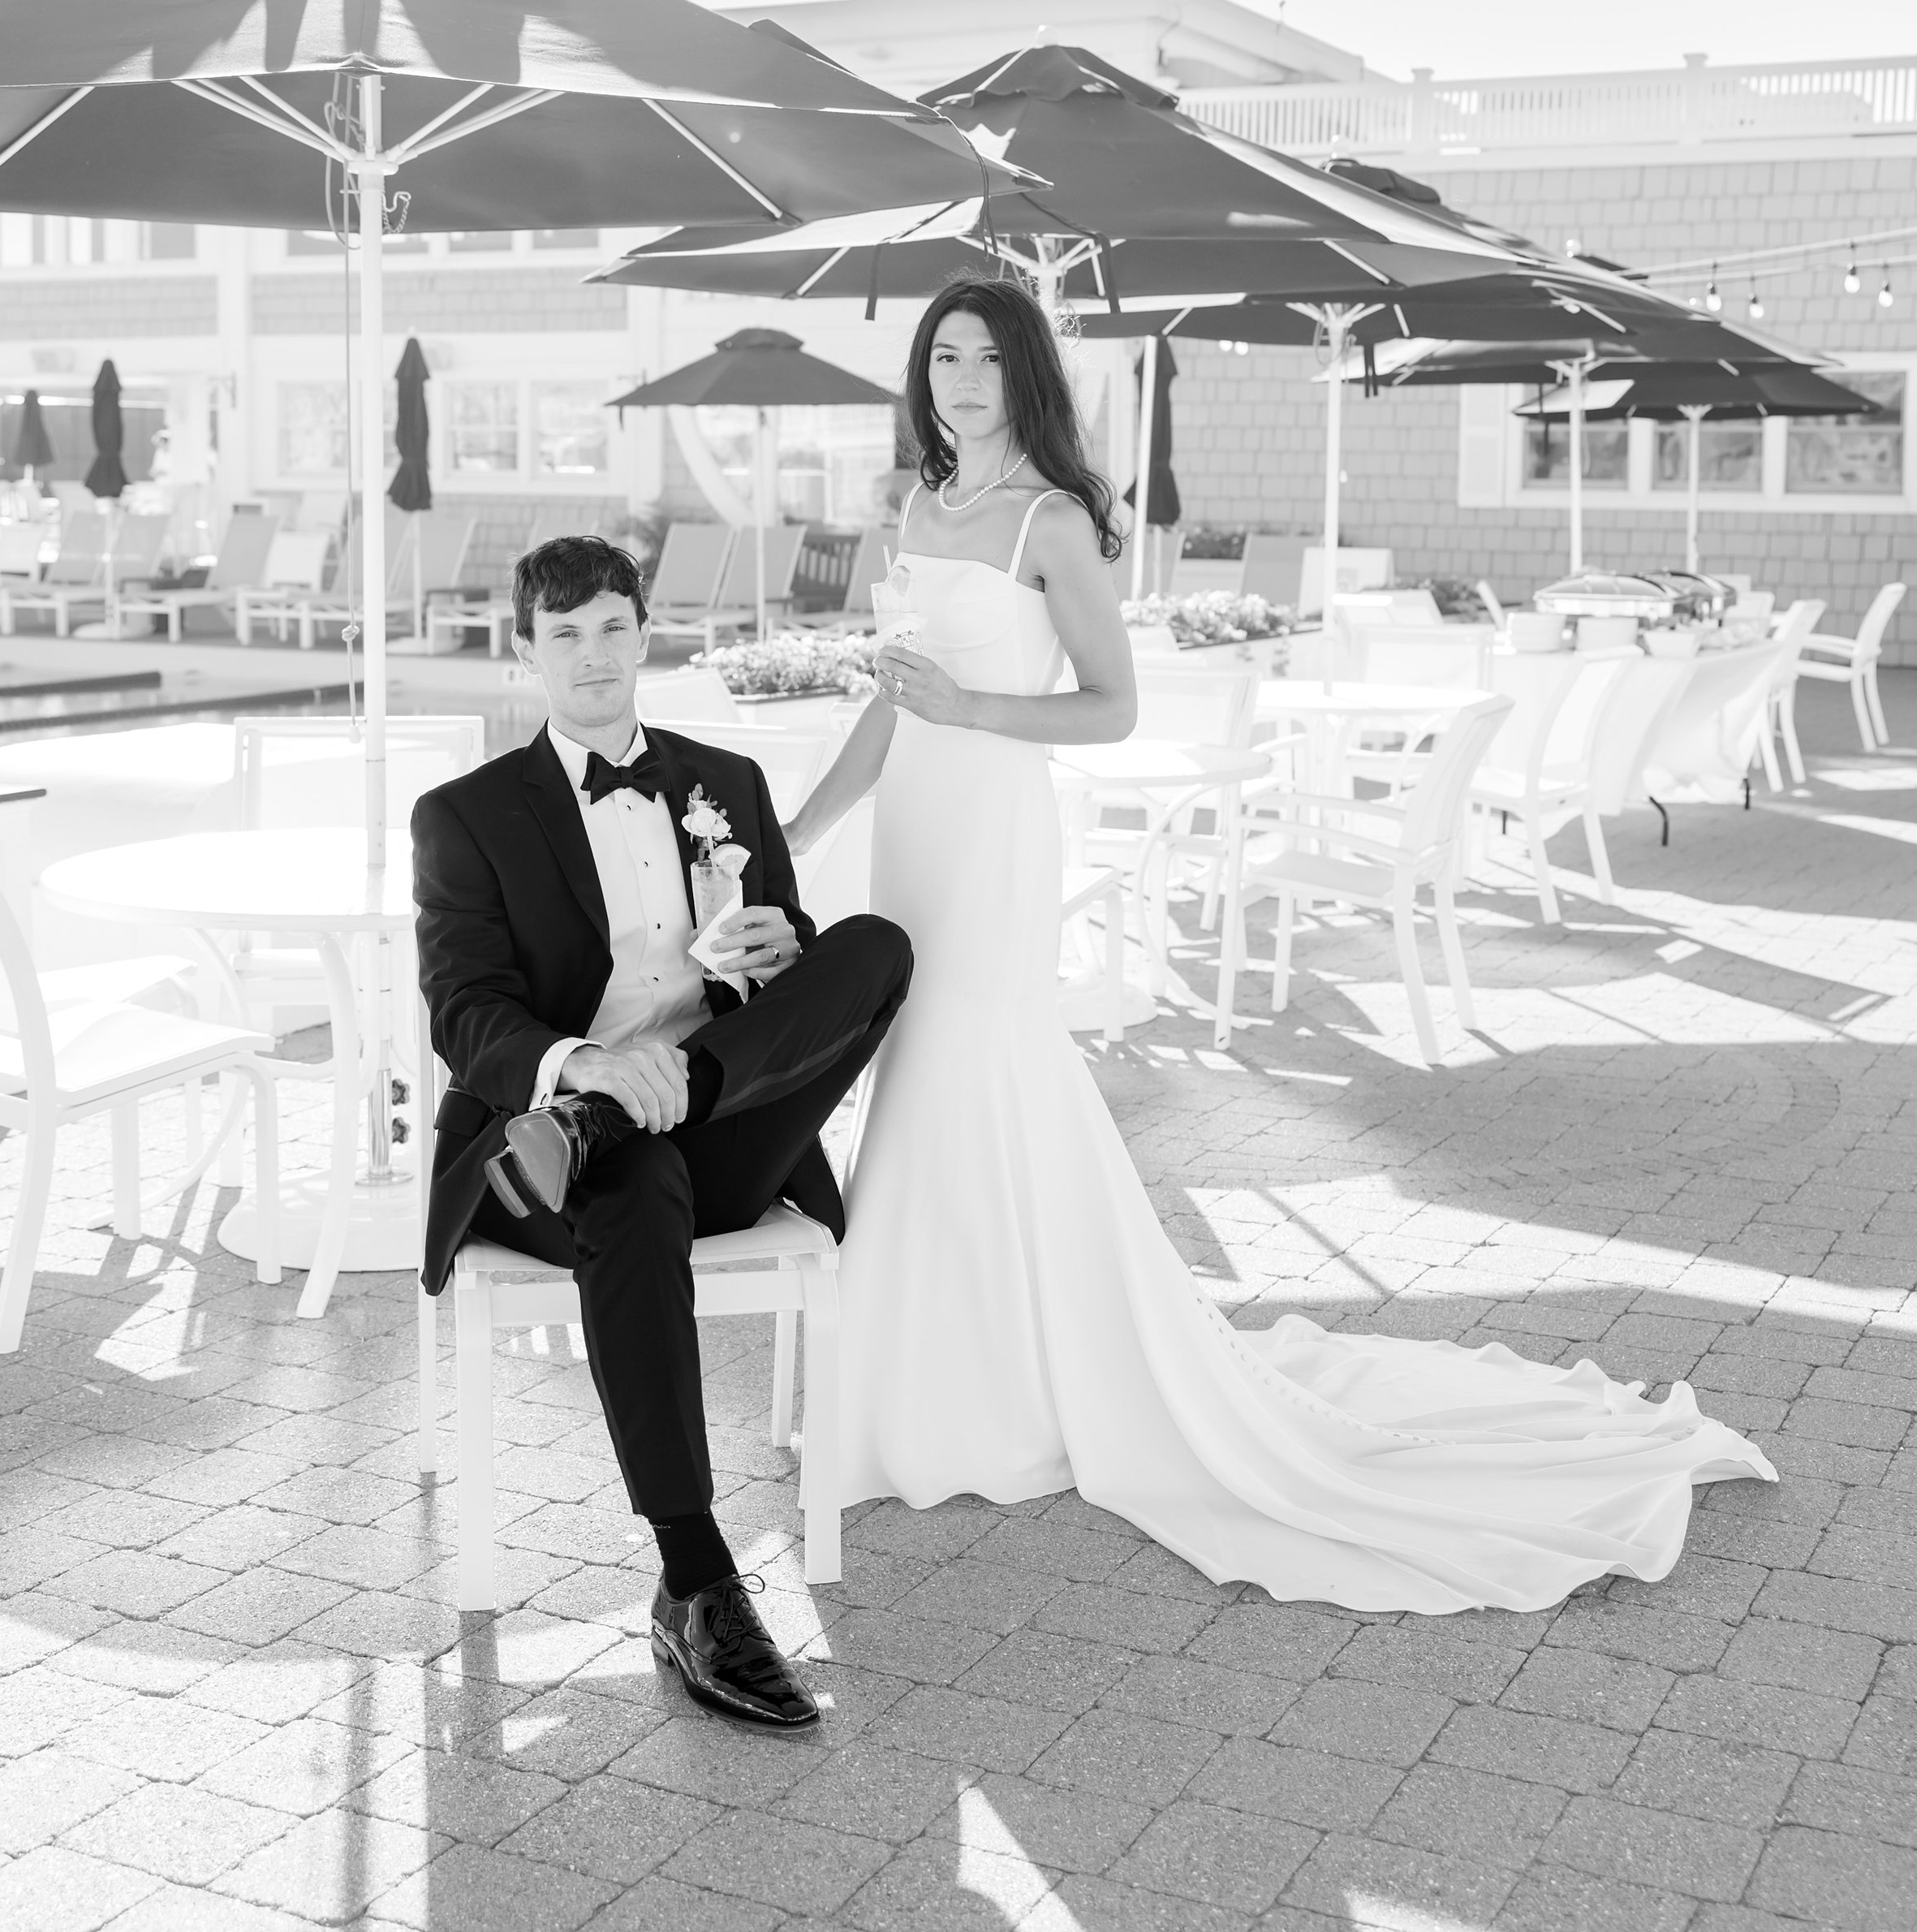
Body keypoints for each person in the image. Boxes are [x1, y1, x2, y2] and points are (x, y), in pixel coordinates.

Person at [784, 279, 1775, 1611]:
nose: (961, 377)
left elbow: (1112, 709)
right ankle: (924, 1381)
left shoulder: (1053, 521)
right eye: (941, 356)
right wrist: (803, 824)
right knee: (919, 1070)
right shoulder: (912, 505)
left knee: (985, 1063)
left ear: (1024, 373)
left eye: (983, 357)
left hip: (994, 829)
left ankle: (1014, 1386)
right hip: (912, 824)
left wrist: (970, 703)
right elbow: (890, 705)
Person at [413, 535, 911, 1724]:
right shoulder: (467, 815)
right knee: (628, 1186)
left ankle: (636, 1105)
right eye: (565, 634)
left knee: (874, 945)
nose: (593, 656)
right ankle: (696, 1581)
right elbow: (464, 1010)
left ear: (646, 635)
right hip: (553, 1160)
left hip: (723, 1122)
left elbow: (782, 958)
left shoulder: (723, 782)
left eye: (612, 628)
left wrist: (770, 959)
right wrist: (582, 1067)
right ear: (526, 651)